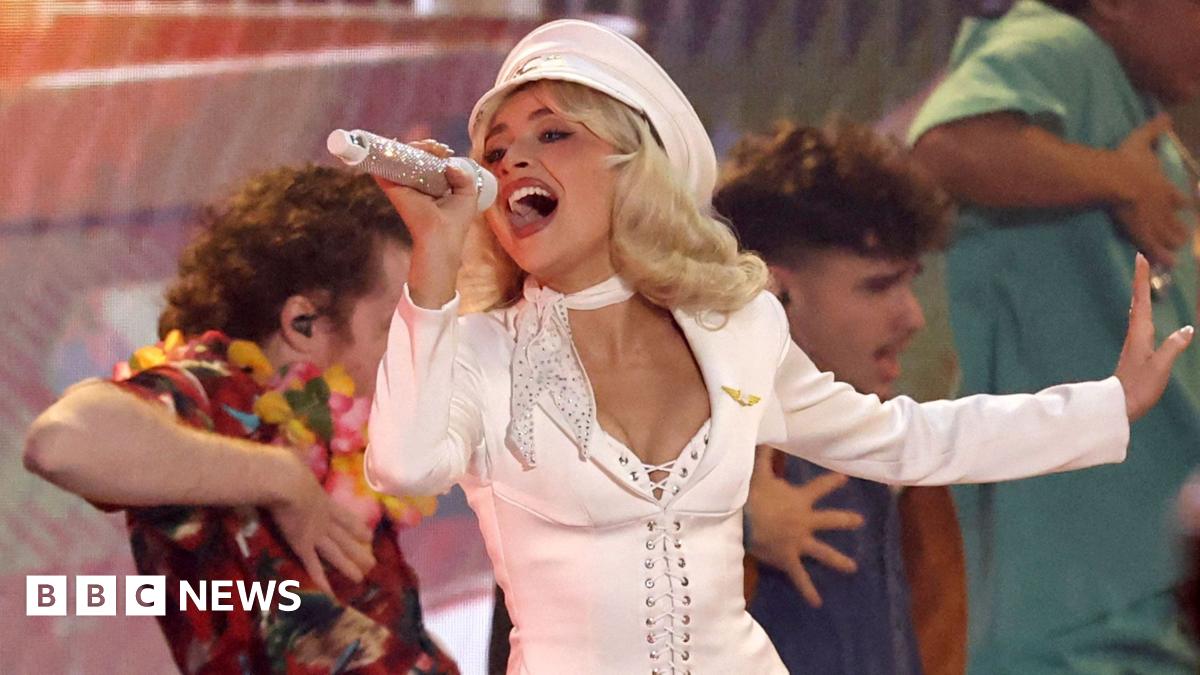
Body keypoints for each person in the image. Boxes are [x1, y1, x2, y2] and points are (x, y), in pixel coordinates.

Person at [366, 18, 1189, 674]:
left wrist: (1105, 405)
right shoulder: (474, 350)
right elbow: (402, 466)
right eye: (495, 148)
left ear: (632, 168)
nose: (512, 159)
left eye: (552, 134)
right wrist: (434, 258)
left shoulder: (736, 331)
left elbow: (906, 439)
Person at [24, 165, 458, 674]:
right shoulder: (223, 390)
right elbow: (61, 443)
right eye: (395, 326)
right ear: (303, 323)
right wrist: (282, 477)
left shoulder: (344, 429)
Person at [907, 1, 1200, 671]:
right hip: (1076, 594)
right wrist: (1121, 177)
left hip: (1129, 576)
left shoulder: (1119, 86)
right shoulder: (1061, 43)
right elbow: (945, 146)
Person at [714, 120, 966, 675]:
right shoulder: (690, 444)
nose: (913, 317)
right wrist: (725, 528)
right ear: (775, 291)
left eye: (909, 281)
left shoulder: (897, 462)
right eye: (879, 286)